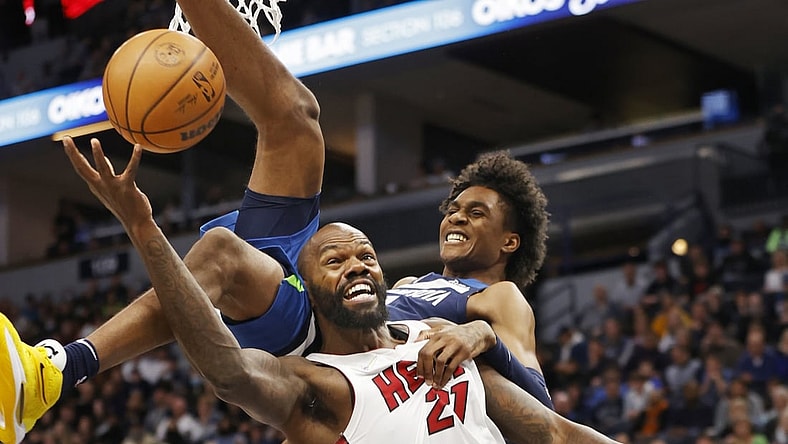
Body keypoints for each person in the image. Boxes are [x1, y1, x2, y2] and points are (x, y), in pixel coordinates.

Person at [0, 0, 549, 440]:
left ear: (509, 241)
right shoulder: (410, 289)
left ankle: (56, 370)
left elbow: (538, 408)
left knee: (220, 254)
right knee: (295, 120)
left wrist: (481, 336)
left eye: (477, 213)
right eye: (454, 207)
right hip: (323, 297)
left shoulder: (500, 301)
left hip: (319, 346)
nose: (455, 216)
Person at [63, 139, 618, 443]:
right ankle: (66, 365)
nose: (356, 266)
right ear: (309, 285)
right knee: (228, 243)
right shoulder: (318, 382)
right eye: (335, 260)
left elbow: (552, 431)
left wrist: (479, 337)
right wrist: (143, 228)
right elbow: (230, 373)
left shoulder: (449, 336)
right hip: (306, 335)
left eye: (366, 256)